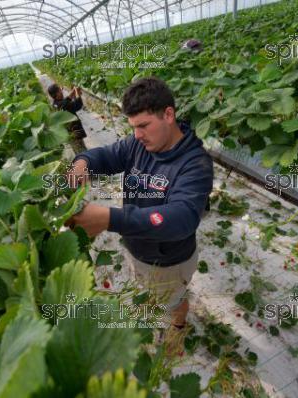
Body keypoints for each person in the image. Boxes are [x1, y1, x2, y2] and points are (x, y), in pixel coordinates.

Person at [65, 77, 214, 356]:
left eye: (143, 125)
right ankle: (155, 304)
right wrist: (82, 163)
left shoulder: (195, 165)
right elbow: (105, 156)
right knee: (149, 288)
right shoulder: (137, 146)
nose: (137, 135)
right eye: (133, 127)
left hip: (170, 260)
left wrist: (112, 219)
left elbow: (180, 218)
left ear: (168, 115)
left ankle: (178, 327)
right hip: (137, 248)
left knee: (173, 300)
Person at [47, 83, 87, 154]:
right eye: (60, 90)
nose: (61, 91)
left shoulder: (55, 104)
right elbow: (78, 104)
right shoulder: (64, 105)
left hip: (69, 133)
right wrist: (77, 93)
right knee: (83, 154)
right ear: (57, 93)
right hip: (74, 132)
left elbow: (66, 100)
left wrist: (73, 91)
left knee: (78, 152)